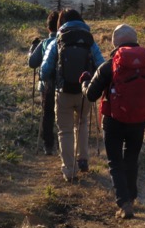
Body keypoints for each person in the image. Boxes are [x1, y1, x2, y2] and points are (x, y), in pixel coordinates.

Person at [80, 24, 145, 219]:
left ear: (115, 43)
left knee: (115, 161)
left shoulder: (109, 66)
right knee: (131, 158)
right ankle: (132, 197)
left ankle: (124, 203)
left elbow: (91, 95)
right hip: (139, 119)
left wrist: (84, 81)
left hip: (113, 119)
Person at [40, 9, 105, 182]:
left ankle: (69, 170)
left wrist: (51, 79)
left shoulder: (58, 40)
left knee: (65, 130)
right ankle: (83, 159)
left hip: (63, 92)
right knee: (82, 123)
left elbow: (45, 70)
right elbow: (101, 65)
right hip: (84, 91)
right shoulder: (89, 40)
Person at [28, 10, 59, 155]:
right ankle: (65, 143)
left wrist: (31, 50)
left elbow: (32, 63)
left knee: (47, 113)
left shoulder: (45, 43)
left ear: (48, 28)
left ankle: (48, 144)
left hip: (46, 85)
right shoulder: (67, 41)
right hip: (64, 85)